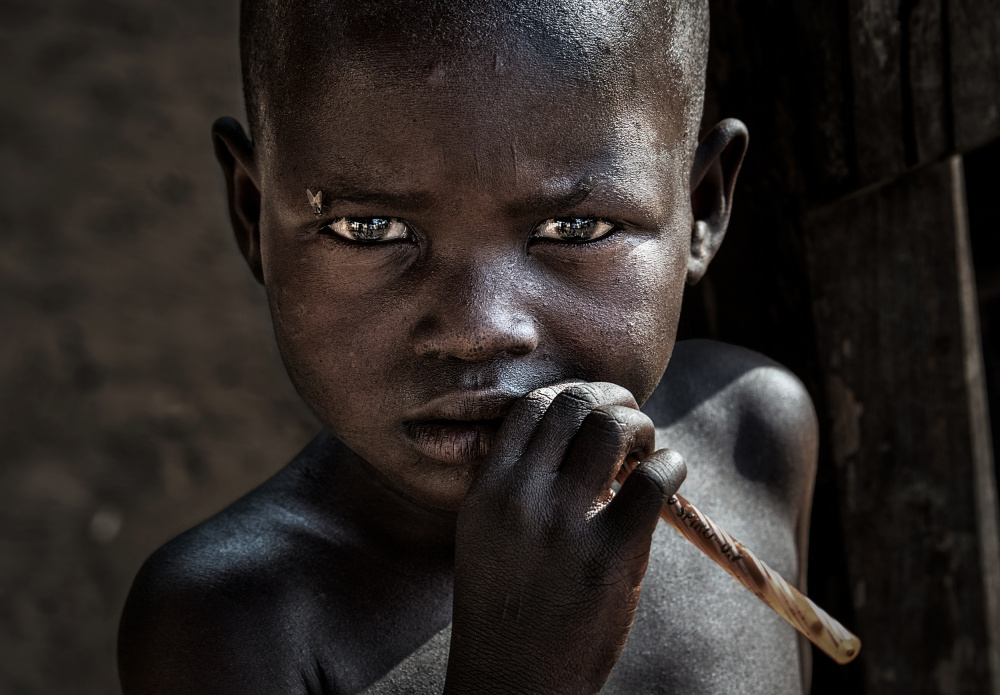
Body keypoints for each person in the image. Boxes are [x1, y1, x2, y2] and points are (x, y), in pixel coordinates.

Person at [118, 0, 818, 692]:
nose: (476, 330)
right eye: (370, 229)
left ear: (702, 207)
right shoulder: (227, 629)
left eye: (575, 228)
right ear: (253, 213)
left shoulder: (752, 434)